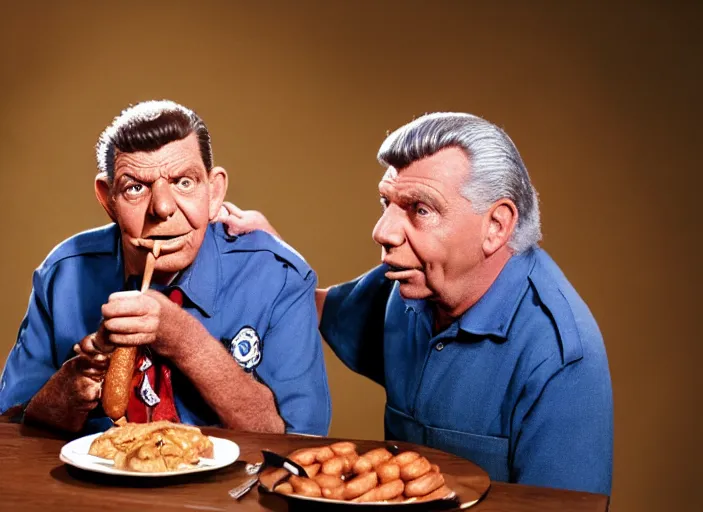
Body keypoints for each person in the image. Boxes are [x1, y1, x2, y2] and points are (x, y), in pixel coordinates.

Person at [218, 112, 613, 494]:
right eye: (385, 203)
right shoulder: (412, 285)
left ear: (495, 226)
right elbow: (310, 307)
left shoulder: (561, 358)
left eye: (420, 210)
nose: (382, 231)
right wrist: (273, 255)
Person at [0, 100, 331, 436]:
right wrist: (69, 388)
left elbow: (300, 440)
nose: (162, 207)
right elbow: (10, 426)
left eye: (184, 182)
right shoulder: (63, 274)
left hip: (228, 489)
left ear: (214, 191)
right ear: (107, 198)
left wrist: (183, 339)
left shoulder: (279, 276)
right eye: (135, 188)